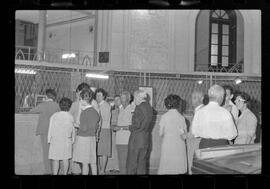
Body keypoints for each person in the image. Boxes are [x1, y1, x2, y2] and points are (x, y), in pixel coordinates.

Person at [191, 85, 237, 149]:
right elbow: (232, 134)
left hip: (204, 145)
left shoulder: (199, 112)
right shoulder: (225, 113)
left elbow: (195, 133)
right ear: (220, 97)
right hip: (221, 146)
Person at [28, 89, 60, 174]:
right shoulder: (57, 105)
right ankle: (55, 170)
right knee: (54, 152)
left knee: (46, 152)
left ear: (46, 96)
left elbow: (31, 111)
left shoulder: (43, 105)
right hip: (54, 132)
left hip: (45, 131)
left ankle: (48, 171)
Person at [69, 82, 98, 174]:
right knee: (93, 162)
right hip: (92, 138)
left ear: (84, 100)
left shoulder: (84, 112)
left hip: (83, 138)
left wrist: (76, 125)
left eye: (80, 99)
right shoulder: (95, 111)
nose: (80, 101)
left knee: (85, 163)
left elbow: (84, 128)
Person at [158, 94, 187, 174]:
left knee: (167, 167)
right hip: (179, 145)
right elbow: (184, 136)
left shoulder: (164, 117)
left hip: (167, 145)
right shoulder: (181, 118)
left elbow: (160, 133)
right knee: (177, 168)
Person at [126, 90, 153, 175]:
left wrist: (129, 127)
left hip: (136, 139)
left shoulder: (139, 108)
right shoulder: (149, 107)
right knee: (142, 165)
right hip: (145, 139)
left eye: (134, 98)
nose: (134, 100)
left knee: (132, 165)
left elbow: (136, 125)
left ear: (138, 97)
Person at [47, 97, 75, 175]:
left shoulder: (54, 115)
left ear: (60, 105)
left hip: (55, 140)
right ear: (69, 106)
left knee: (55, 159)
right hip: (66, 140)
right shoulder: (70, 116)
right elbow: (72, 130)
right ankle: (65, 173)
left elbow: (50, 128)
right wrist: (72, 140)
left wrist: (49, 139)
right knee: (65, 159)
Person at [113, 91, 135, 174]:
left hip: (127, 140)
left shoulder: (132, 108)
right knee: (121, 164)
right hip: (119, 140)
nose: (121, 100)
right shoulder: (120, 109)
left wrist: (120, 128)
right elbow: (118, 123)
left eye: (123, 98)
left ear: (129, 99)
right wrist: (114, 126)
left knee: (126, 164)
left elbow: (133, 126)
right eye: (120, 98)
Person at [185, 91, 205, 174]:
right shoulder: (198, 110)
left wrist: (185, 135)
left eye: (195, 98)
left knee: (193, 167)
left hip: (196, 143)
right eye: (192, 98)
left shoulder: (201, 111)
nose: (192, 100)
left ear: (202, 99)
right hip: (194, 143)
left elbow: (195, 131)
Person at [95, 88, 112, 175]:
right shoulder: (97, 105)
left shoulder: (105, 105)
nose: (98, 97)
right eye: (97, 95)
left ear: (104, 96)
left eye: (99, 95)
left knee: (104, 151)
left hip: (104, 129)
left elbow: (104, 118)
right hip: (98, 129)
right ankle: (100, 169)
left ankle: (102, 170)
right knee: (98, 151)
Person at [106, 95, 121, 172]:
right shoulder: (112, 110)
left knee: (119, 150)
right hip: (113, 131)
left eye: (118, 100)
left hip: (121, 131)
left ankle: (119, 167)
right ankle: (115, 167)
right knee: (114, 149)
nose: (116, 102)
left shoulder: (122, 109)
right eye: (115, 100)